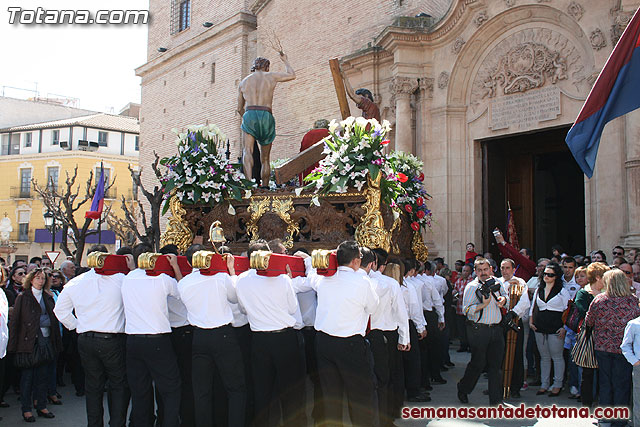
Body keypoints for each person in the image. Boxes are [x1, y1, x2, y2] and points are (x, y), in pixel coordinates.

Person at [53, 248, 132, 427]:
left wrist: (77, 326)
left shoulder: (75, 283)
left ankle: (94, 424)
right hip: (113, 339)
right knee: (118, 384)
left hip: (86, 338)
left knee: (93, 385)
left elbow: (60, 310)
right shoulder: (121, 280)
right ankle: (117, 423)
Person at [235, 240, 305, 427]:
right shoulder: (282, 279)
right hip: (284, 339)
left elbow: (243, 309)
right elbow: (292, 308)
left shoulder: (241, 280)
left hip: (259, 339)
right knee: (291, 391)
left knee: (262, 391)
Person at [178, 251, 247, 427]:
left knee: (202, 392)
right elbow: (234, 298)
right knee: (236, 388)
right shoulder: (221, 278)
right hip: (222, 335)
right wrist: (231, 272)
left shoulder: (184, 283)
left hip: (199, 336)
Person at [314, 241, 379, 425]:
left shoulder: (324, 278)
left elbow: (313, 275)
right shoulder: (362, 281)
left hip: (324, 342)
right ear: (357, 261)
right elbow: (373, 307)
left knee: (330, 396)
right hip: (350, 345)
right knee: (360, 396)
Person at [121, 244, 183, 427]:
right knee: (171, 388)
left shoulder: (128, 278)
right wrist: (175, 267)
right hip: (157, 340)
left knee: (139, 390)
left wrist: (133, 268)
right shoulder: (162, 279)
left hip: (133, 340)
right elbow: (182, 293)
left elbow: (136, 278)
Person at [585, 269, 640, 426]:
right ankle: (620, 421)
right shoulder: (632, 301)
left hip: (603, 347)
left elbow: (589, 322)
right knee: (622, 383)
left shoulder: (599, 300)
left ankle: (606, 418)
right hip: (626, 350)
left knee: (605, 382)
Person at [7, 268, 62, 422]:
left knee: (43, 376)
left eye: (43, 278)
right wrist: (13, 346)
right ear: (31, 279)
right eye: (37, 278)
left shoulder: (48, 296)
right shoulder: (23, 297)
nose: (41, 281)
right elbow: (16, 322)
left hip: (46, 340)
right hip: (28, 342)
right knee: (27, 378)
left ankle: (41, 405)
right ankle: (26, 409)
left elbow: (53, 319)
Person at [238, 54, 295, 186]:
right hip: (266, 114)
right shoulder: (271, 76)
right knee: (265, 158)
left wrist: (247, 121)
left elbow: (239, 108)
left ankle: (248, 185)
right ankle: (265, 187)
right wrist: (285, 60)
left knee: (247, 151)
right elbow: (292, 75)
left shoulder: (243, 82)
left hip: (249, 113)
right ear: (267, 67)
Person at [457, 258, 507, 406]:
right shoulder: (471, 287)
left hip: (496, 329)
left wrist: (503, 299)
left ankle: (496, 400)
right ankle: (463, 389)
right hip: (478, 330)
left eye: (485, 269)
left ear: (491, 269)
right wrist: (482, 305)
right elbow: (466, 310)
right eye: (480, 270)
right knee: (478, 364)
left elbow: (507, 298)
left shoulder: (498, 283)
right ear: (475, 272)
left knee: (495, 366)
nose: (483, 273)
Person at [529, 262, 570, 397]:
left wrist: (564, 328)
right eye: (545, 274)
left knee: (557, 357)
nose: (547, 276)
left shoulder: (562, 292)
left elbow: (568, 311)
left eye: (550, 275)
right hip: (540, 327)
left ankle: (557, 384)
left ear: (556, 277)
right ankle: (544, 384)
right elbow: (533, 307)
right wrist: (531, 321)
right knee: (544, 357)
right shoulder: (539, 290)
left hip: (556, 327)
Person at [574, 262, 610, 408]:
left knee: (605, 373)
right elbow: (582, 311)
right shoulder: (584, 292)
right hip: (589, 335)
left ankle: (603, 403)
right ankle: (586, 404)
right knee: (587, 373)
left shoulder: (608, 292)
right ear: (597, 277)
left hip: (605, 336)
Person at [498, 258, 530, 398]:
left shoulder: (520, 282)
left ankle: (515, 387)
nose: (505, 271)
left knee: (516, 355)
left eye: (507, 268)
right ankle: (498, 386)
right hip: (499, 321)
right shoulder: (497, 282)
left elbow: (524, 302)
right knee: (499, 355)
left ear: (513, 269)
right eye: (502, 268)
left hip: (514, 321)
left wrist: (512, 313)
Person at [621, 313, 640, 427]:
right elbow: (625, 345)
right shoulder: (634, 324)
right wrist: (634, 361)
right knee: (638, 400)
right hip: (639, 366)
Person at [298, 120, 330, 185]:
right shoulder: (328, 133)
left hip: (309, 169)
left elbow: (302, 150)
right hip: (325, 167)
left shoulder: (307, 135)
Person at [454, 264, 473, 352]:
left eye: (467, 271)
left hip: (469, 310)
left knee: (469, 329)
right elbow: (455, 290)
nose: (465, 273)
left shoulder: (472, 282)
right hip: (459, 308)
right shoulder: (458, 281)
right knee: (461, 329)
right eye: (463, 271)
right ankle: (463, 345)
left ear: (470, 272)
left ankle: (470, 345)